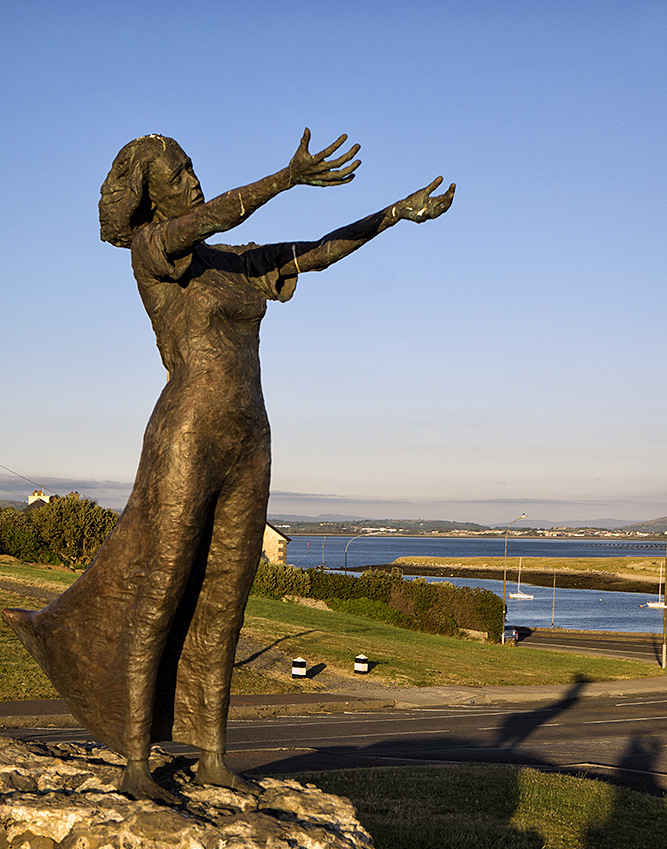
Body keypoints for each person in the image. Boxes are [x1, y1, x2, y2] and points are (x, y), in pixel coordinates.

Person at [2, 130, 455, 802]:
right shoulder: (152, 252)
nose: (191, 179)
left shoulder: (235, 265)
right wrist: (285, 177)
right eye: (176, 174)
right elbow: (216, 215)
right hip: (187, 433)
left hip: (250, 439)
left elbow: (319, 251)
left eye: (190, 167)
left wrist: (392, 213)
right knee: (160, 591)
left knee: (224, 598)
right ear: (150, 196)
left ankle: (212, 754)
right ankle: (135, 761)